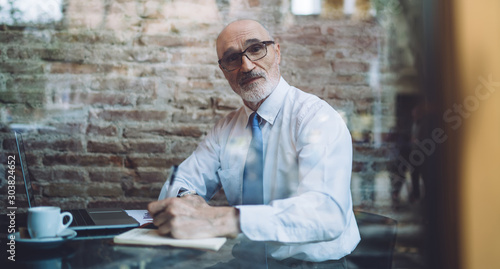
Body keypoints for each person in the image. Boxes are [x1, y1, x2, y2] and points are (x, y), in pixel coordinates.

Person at [148, 19, 360, 268]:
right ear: (223, 71)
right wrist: (188, 197)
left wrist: (223, 220)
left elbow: (326, 215)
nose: (246, 66)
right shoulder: (226, 129)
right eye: (231, 58)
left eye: (256, 49)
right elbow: (177, 181)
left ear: (277, 53)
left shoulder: (316, 119)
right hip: (244, 263)